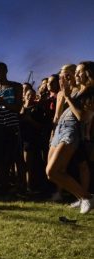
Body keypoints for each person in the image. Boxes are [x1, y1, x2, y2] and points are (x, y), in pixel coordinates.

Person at [46, 62, 94, 214]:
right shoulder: (77, 90)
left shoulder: (89, 91)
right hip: (60, 128)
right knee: (51, 173)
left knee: (53, 171)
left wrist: (67, 96)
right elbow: (58, 114)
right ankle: (83, 197)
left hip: (71, 130)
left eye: (78, 72)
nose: (75, 75)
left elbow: (82, 117)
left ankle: (86, 197)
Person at [0, 62, 23, 193]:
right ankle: (1, 183)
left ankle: (8, 183)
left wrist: (5, 103)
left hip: (11, 125)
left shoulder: (16, 86)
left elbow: (18, 108)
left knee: (10, 156)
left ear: (6, 70)